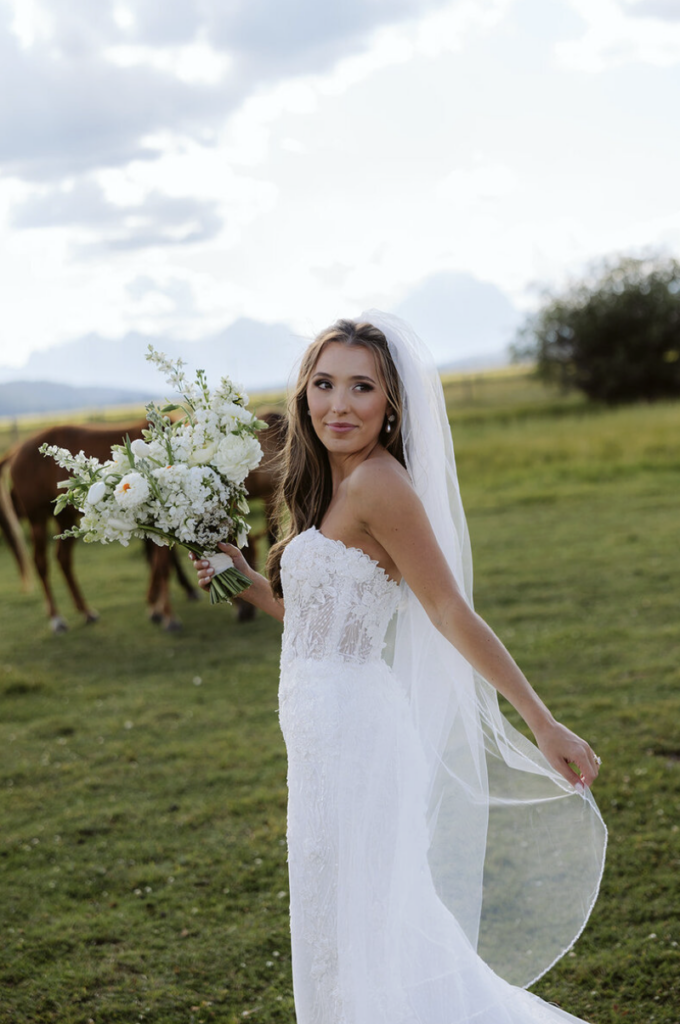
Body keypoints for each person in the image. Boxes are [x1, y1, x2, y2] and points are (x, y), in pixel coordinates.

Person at [193, 311, 607, 1023]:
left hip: (359, 741)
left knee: (372, 924)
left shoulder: (381, 486)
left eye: (362, 387)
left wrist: (542, 723)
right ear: (304, 395)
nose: (338, 405)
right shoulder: (330, 484)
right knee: (339, 922)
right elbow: (316, 627)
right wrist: (245, 578)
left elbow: (451, 613)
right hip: (320, 739)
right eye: (323, 384)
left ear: (392, 407)